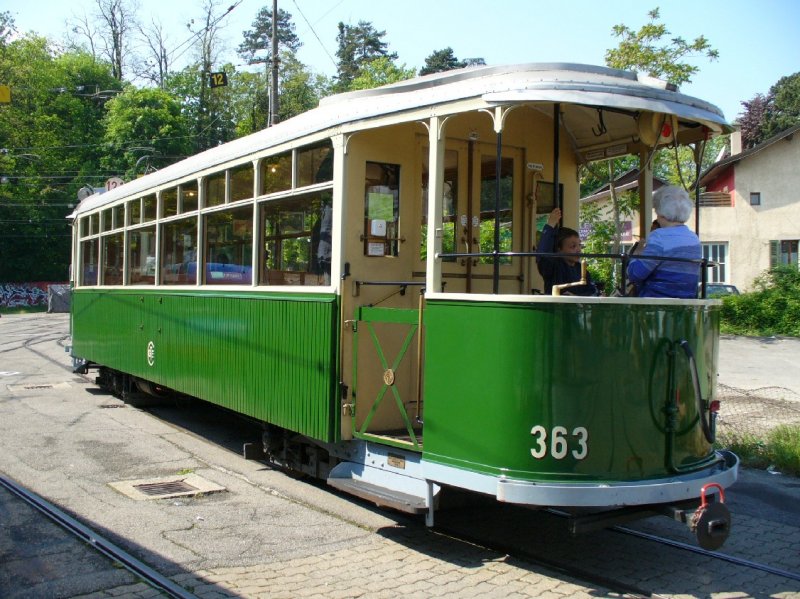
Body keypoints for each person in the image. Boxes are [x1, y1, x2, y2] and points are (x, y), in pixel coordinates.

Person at [627, 186, 701, 298]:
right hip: (686, 302)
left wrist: (636, 254)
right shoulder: (694, 239)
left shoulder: (659, 237)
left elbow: (636, 274)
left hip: (656, 302)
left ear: (661, 213)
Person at [536, 207, 595, 295]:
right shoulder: (554, 267)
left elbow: (591, 291)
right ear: (559, 249)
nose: (578, 250)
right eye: (573, 246)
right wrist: (550, 225)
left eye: (579, 245)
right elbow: (542, 256)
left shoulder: (580, 269)